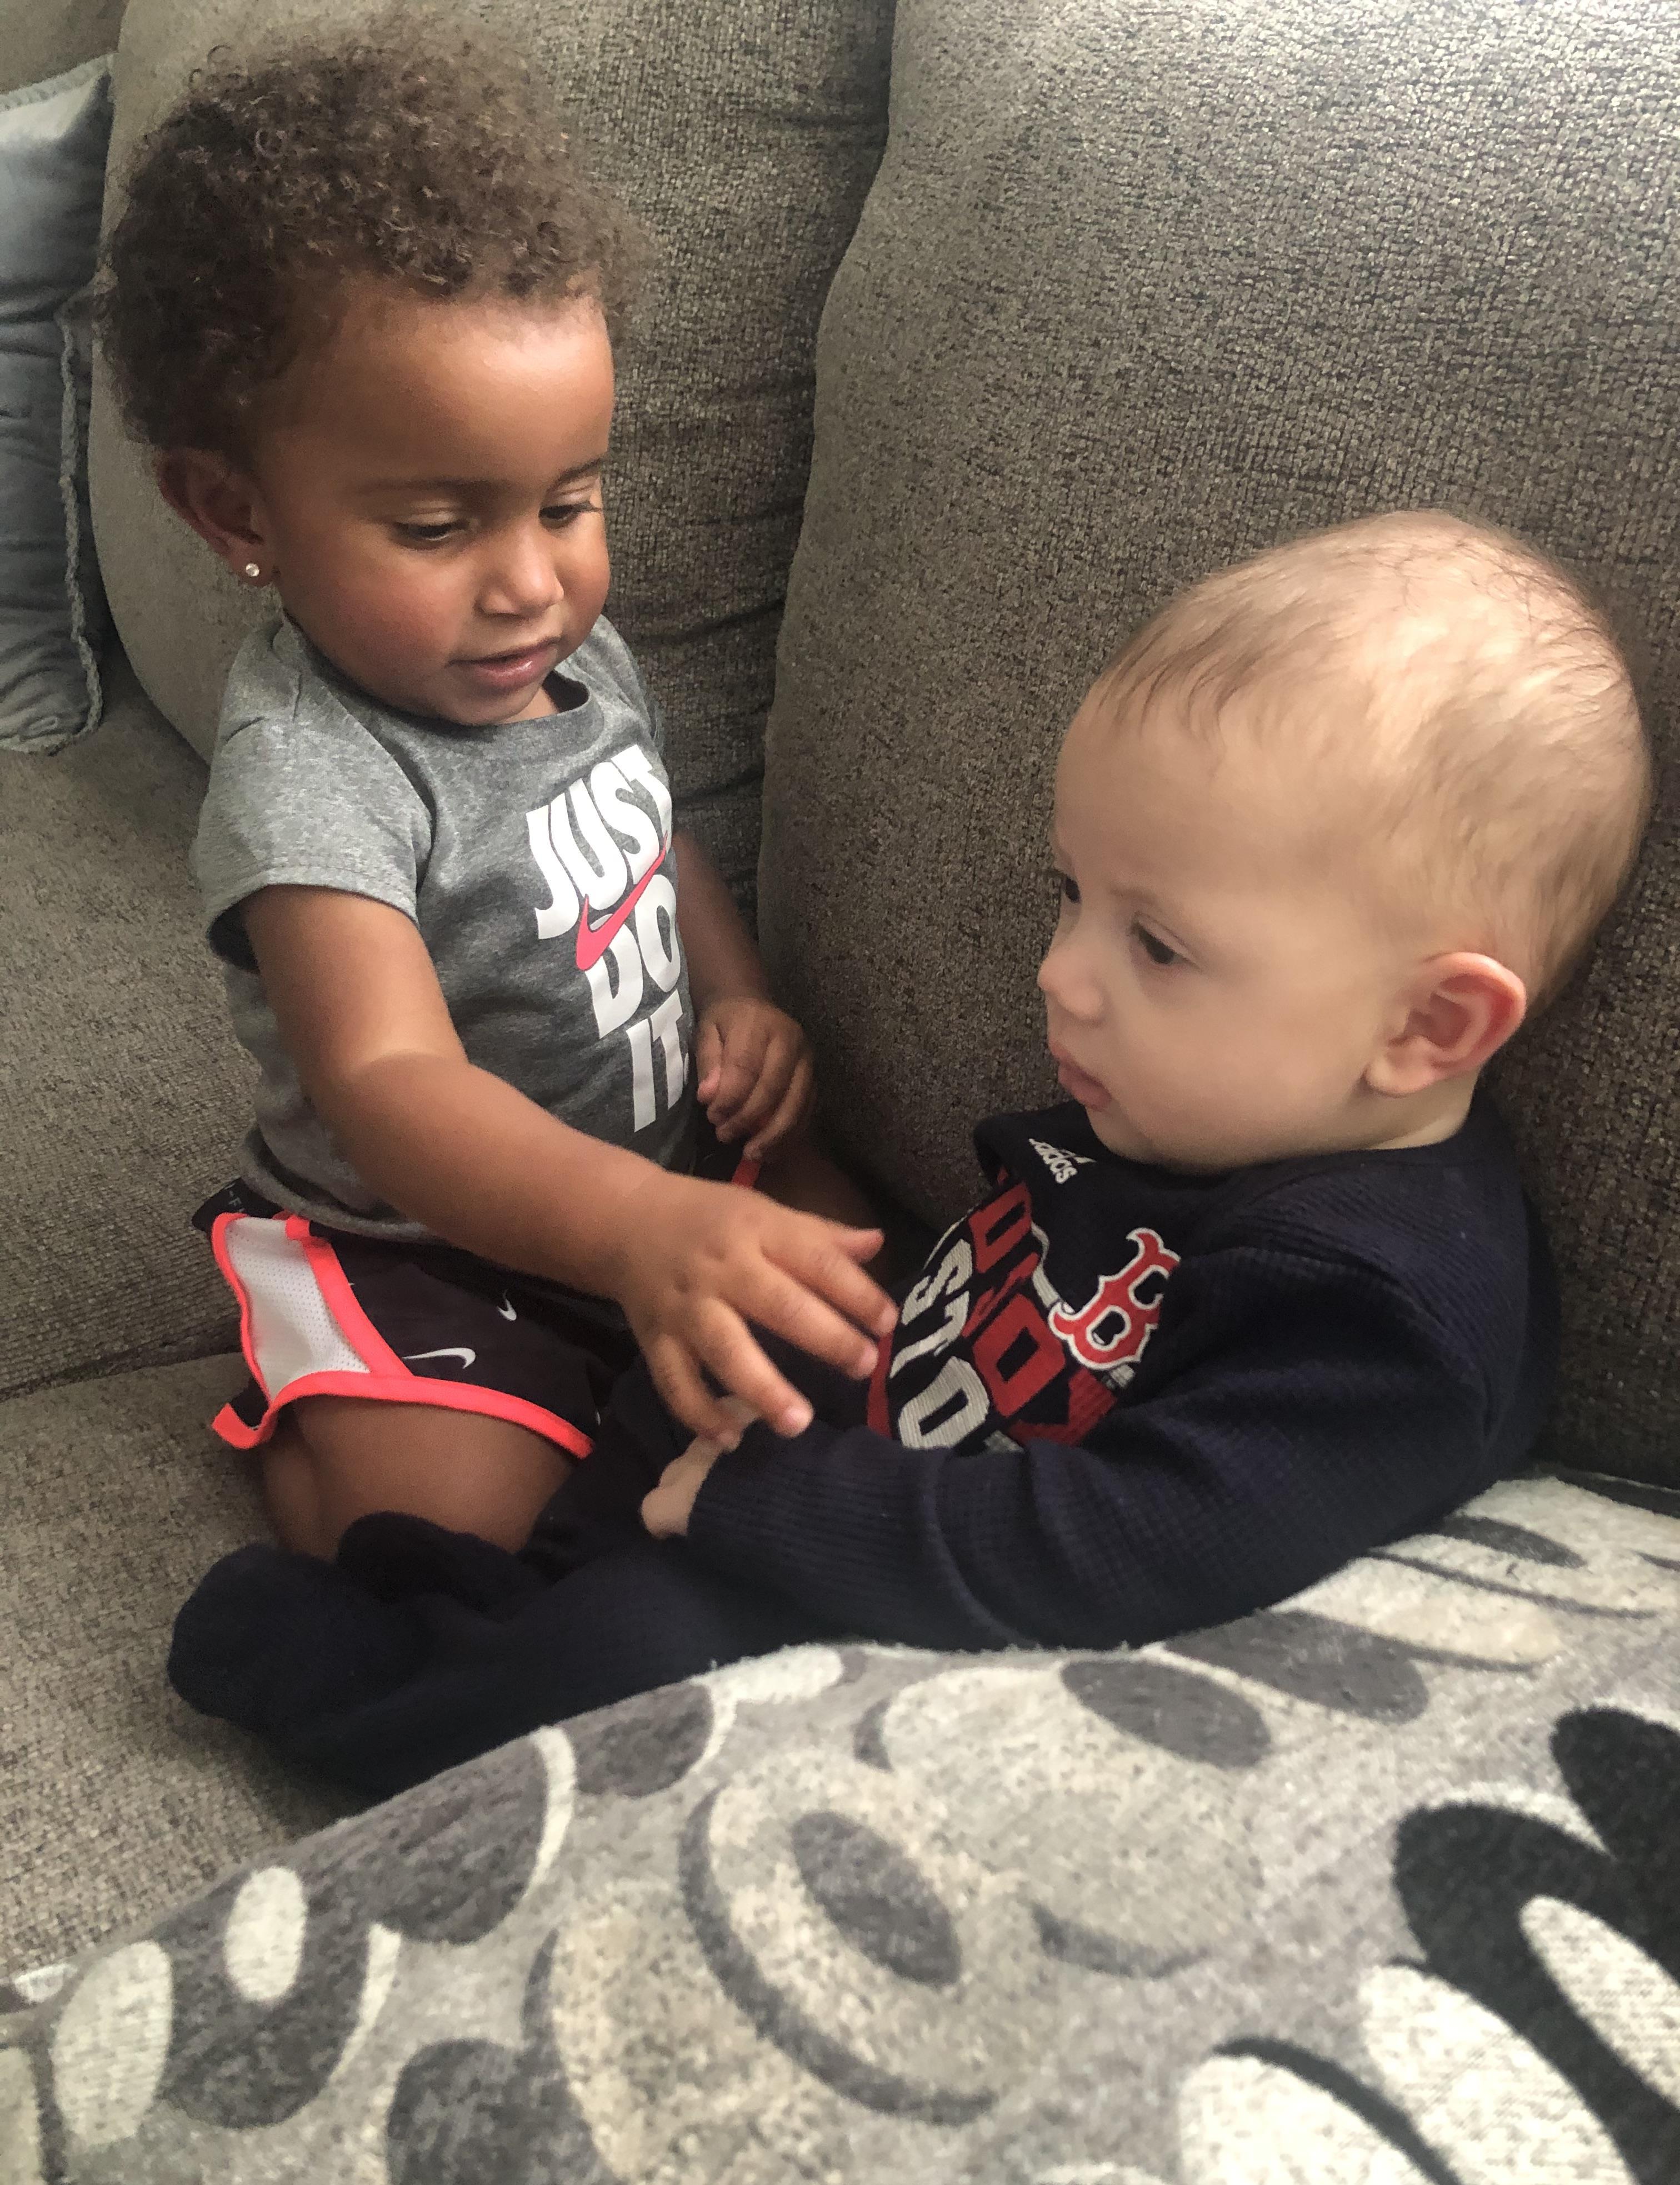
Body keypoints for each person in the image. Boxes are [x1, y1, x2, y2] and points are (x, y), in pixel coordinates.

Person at [171, 509, 1651, 1799]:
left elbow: (1134, 1546)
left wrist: (762, 1505)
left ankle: (355, 1683)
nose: (1061, 976)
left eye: (1157, 944)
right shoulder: (1224, 1102)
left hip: (894, 1586)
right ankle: (502, 1594)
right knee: (635, 1494)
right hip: (849, 1443)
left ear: (1430, 1025)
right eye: (1073, 897)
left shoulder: (1386, 1309)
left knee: (628, 1661)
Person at [94, 23, 897, 1564]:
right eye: (440, 524)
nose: (533, 585)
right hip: (420, 1241)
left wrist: (741, 1003)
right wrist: (638, 1232)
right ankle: (313, 1433)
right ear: (232, 507)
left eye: (570, 502)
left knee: (877, 1304)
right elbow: (392, 1090)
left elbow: (649, 835)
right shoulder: (310, 778)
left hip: (660, 1171)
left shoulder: (573, 650)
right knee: (450, 1530)